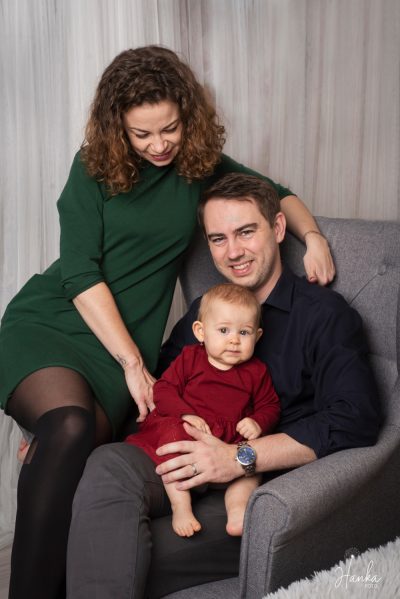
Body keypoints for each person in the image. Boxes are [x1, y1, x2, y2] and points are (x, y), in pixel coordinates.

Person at [1, 45, 334, 598]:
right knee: (69, 427)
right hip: (58, 321)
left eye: (170, 129)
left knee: (77, 451)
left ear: (187, 116)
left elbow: (276, 195)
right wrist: (133, 364)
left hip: (120, 350)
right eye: (142, 134)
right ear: (118, 127)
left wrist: (313, 236)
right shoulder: (92, 167)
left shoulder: (197, 166)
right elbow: (79, 273)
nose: (159, 145)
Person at [66, 173, 380, 598]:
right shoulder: (206, 310)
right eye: (218, 238)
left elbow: (356, 419)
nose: (233, 252)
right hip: (176, 458)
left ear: (278, 228)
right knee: (107, 465)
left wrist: (239, 458)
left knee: (112, 552)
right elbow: (159, 384)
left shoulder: (323, 316)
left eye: (246, 232)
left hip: (252, 489)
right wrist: (74, 429)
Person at [125, 282, 280, 537]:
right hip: (189, 429)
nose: (234, 340)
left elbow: (270, 405)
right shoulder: (190, 358)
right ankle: (181, 506)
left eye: (244, 332)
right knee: (174, 440)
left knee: (251, 469)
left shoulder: (257, 371)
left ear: (257, 336)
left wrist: (257, 421)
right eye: (223, 330)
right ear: (201, 331)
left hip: (229, 441)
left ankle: (238, 510)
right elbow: (164, 389)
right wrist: (186, 414)